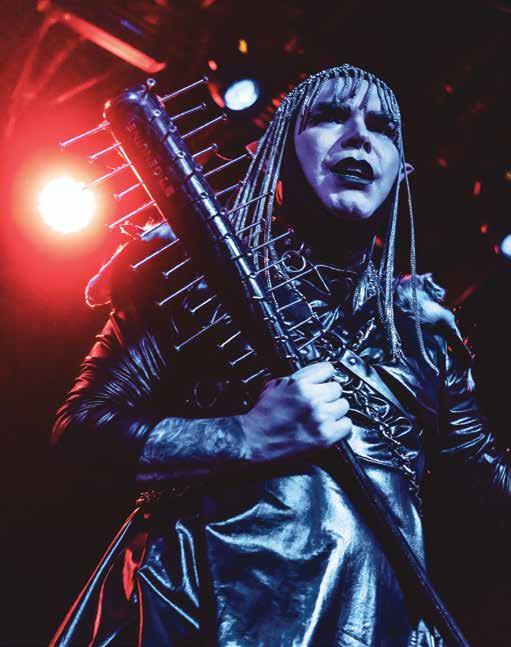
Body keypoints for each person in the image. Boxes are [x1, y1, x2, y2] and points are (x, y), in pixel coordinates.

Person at [50, 64, 511, 647]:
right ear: (277, 150)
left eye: (382, 127)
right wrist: (243, 436)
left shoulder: (423, 336)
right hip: (198, 611)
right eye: (329, 117)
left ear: (402, 171)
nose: (358, 137)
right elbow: (80, 431)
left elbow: (489, 491)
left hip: (367, 622)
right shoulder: (189, 274)